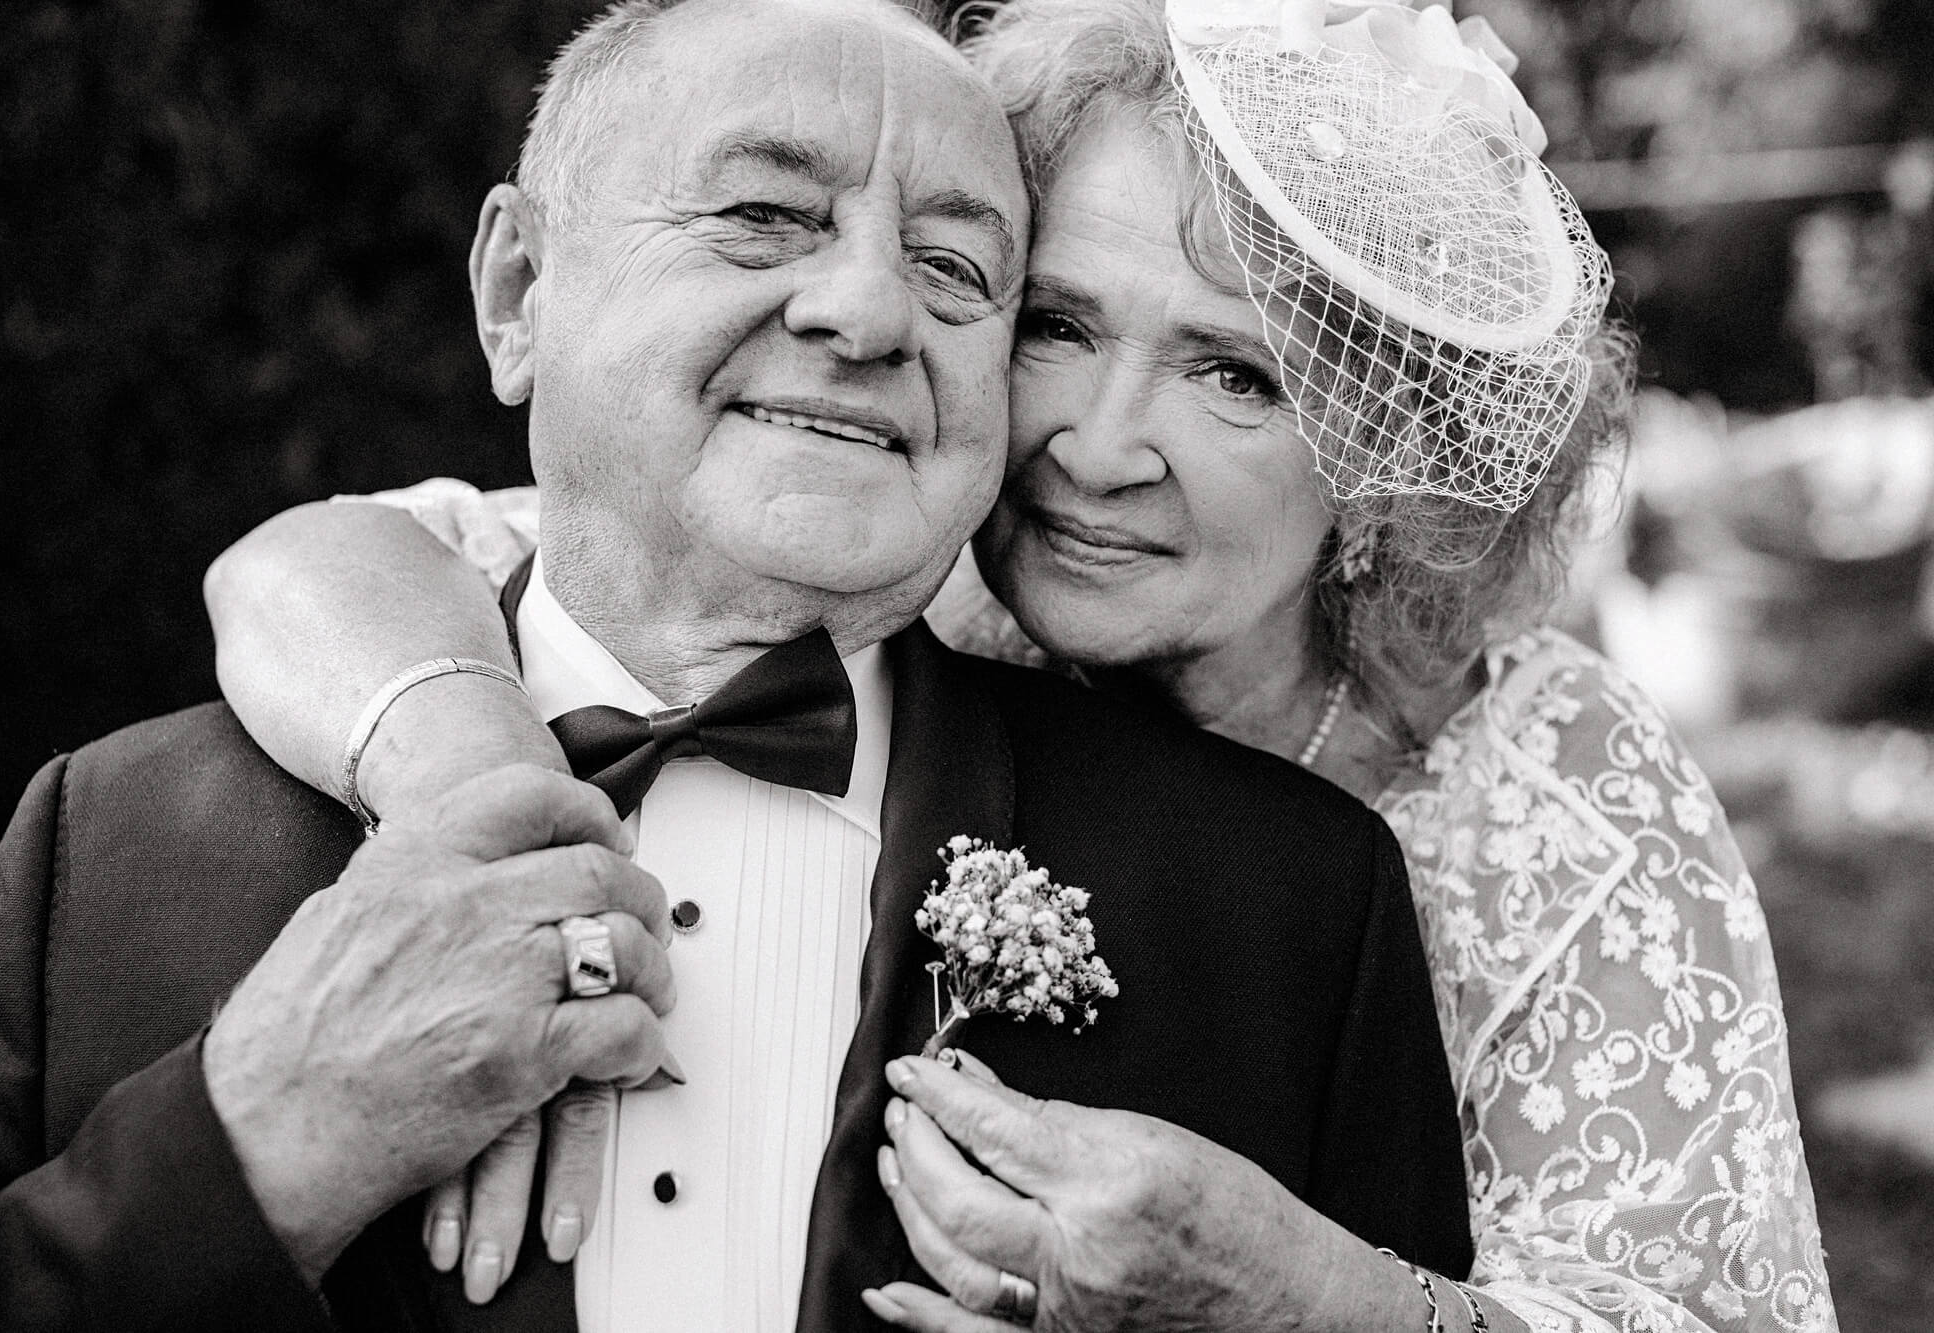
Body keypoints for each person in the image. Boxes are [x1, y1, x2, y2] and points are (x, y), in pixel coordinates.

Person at [204, 0, 1841, 1330]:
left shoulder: (1558, 801)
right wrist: (480, 812)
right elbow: (324, 561)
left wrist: (1298, 1295)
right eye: (1053, 322)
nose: (1093, 446)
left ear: (1383, 465)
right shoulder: (896, 565)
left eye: (1234, 376)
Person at [0, 1, 1475, 1330]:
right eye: (764, 216)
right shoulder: (105, 852)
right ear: (519, 293)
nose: (868, 310)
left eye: (954, 269)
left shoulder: (1294, 910)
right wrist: (260, 1139)